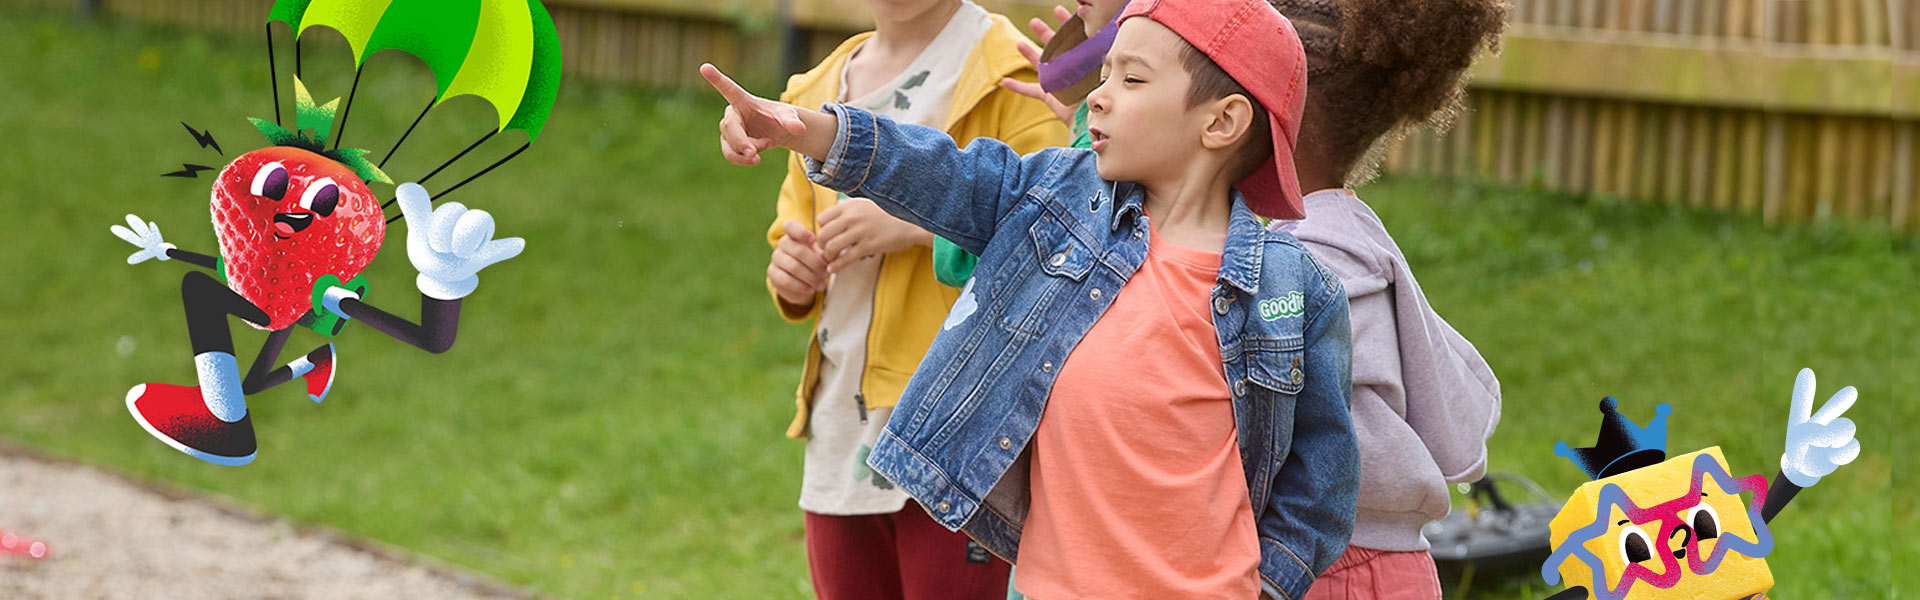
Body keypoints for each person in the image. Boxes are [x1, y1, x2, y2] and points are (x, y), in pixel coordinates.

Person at [702, 0, 1358, 596]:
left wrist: (1266, 586)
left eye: (1130, 80)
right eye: (1103, 75)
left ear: (1222, 121)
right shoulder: (1057, 202)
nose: (1096, 98)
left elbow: (1318, 482)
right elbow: (950, 175)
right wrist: (811, 130)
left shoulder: (1290, 293)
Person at [756, 0, 1068, 597]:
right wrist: (791, 277)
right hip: (842, 431)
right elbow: (793, 231)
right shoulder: (817, 85)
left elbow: (1059, 224)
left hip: (963, 425)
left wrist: (916, 222)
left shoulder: (1011, 70)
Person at [1265, 0, 1507, 598]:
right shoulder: (1349, 235)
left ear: (1269, 117)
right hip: (1374, 566)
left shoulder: (1306, 263)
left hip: (1327, 568)